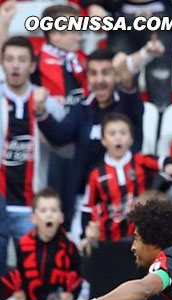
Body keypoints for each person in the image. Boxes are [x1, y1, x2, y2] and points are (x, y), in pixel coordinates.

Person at [35, 46, 155, 231]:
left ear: (115, 76)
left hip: (125, 201)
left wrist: (126, 71)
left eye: (106, 73)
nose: (99, 80)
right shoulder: (81, 108)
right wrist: (41, 112)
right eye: (93, 74)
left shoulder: (127, 105)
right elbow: (59, 136)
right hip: (85, 201)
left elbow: (131, 97)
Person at [0, 37, 66, 255]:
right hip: (0, 203)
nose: (15, 64)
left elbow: (67, 148)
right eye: (9, 59)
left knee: (32, 279)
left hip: (32, 208)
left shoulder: (47, 102)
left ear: (32, 65)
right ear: (2, 63)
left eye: (21, 59)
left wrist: (45, 120)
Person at [82, 112, 172, 246]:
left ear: (131, 139)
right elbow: (87, 208)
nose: (118, 138)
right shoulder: (96, 174)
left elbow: (165, 162)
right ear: (103, 140)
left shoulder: (140, 161)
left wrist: (171, 166)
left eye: (123, 133)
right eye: (112, 134)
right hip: (109, 239)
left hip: (141, 237)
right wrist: (86, 232)